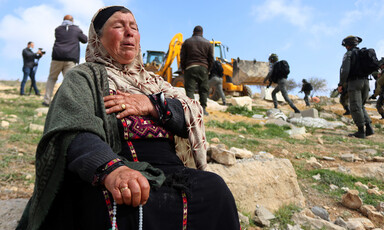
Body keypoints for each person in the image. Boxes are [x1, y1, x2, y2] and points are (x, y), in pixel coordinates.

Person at [17, 6, 240, 230]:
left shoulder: (155, 83)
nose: (130, 32)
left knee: (215, 190)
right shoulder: (84, 77)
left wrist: (153, 104)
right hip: (118, 169)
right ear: (98, 38)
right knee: (124, 204)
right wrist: (112, 169)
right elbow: (74, 130)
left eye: (134, 27)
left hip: (170, 173)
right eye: (118, 26)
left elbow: (190, 112)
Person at [42, 14, 88, 107]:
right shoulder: (76, 29)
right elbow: (85, 39)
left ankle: (46, 100)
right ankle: (67, 102)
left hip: (57, 56)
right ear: (72, 20)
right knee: (69, 81)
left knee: (52, 78)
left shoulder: (58, 29)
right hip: (70, 58)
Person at [338, 35, 374, 138]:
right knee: (361, 106)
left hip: (355, 83)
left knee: (355, 106)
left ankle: (361, 131)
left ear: (348, 45)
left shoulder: (349, 54)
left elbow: (345, 71)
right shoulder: (363, 53)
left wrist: (341, 84)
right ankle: (369, 128)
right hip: (366, 82)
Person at [180, 25, 213, 116]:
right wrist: (208, 69)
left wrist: (183, 68)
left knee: (190, 89)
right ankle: (203, 109)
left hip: (190, 67)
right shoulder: (208, 43)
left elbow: (182, 57)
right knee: (203, 89)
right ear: (202, 33)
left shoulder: (187, 42)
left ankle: (191, 109)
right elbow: (211, 58)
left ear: (193, 32)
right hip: (203, 68)